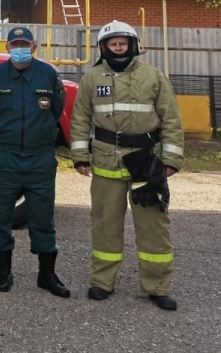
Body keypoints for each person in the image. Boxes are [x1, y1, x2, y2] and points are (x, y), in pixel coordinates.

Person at [70, 20, 183, 311]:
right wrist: (80, 155)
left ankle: (158, 286)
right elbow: (80, 119)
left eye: (123, 43)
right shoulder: (92, 78)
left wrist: (171, 159)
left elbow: (171, 118)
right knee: (105, 225)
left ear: (133, 45)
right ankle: (102, 282)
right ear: (104, 47)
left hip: (145, 163)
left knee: (154, 226)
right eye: (113, 43)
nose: (118, 48)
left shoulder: (153, 76)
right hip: (106, 161)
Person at [0, 26, 70, 298]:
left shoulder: (48, 74)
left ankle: (47, 275)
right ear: (7, 48)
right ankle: (4, 273)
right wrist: (3, 133)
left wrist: (39, 135)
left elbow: (56, 109)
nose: (20, 49)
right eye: (15, 44)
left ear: (34, 46)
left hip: (40, 158)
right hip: (5, 158)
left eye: (25, 44)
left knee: (43, 219)